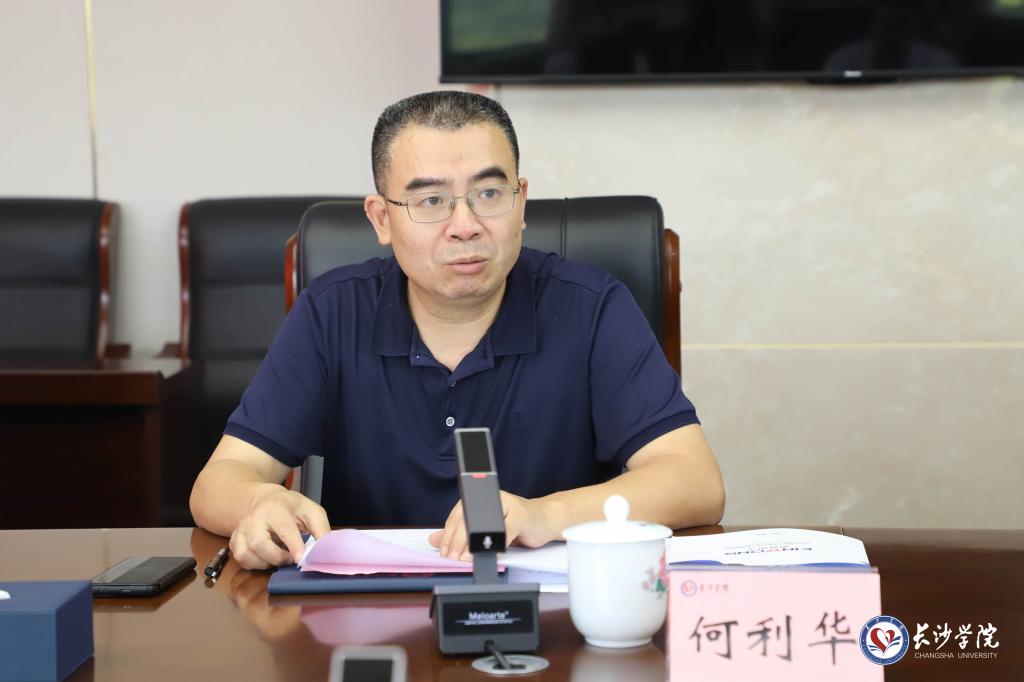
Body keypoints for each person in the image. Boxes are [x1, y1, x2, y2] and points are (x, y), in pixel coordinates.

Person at [190, 90, 725, 570]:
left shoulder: (591, 307)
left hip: (551, 616)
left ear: (521, 202)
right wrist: (259, 501)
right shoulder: (332, 312)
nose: (465, 226)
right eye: (431, 201)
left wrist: (546, 515)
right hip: (365, 615)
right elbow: (220, 480)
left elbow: (695, 481)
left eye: (489, 194)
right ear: (381, 219)